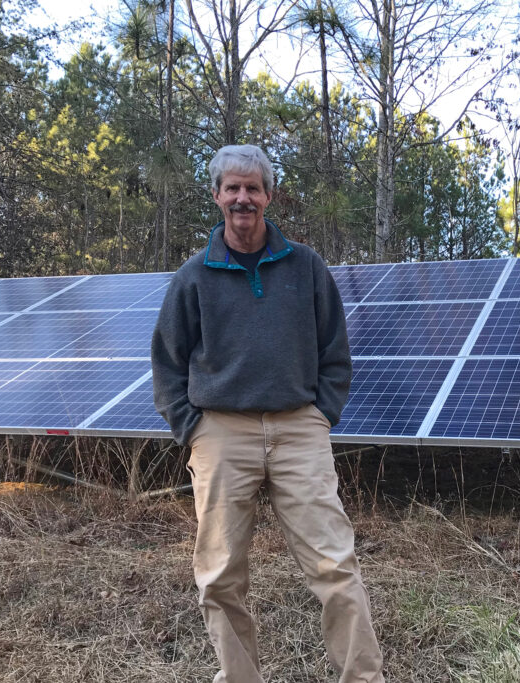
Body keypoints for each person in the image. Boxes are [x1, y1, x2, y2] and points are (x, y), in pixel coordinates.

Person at [151, 144, 384, 683]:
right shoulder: (193, 277)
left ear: (268, 195)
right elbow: (167, 361)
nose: (242, 198)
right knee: (220, 575)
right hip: (220, 433)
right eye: (232, 188)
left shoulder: (305, 266)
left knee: (334, 565)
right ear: (216, 196)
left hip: (299, 426)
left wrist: (322, 412)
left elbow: (335, 349)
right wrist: (192, 428)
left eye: (252, 188)